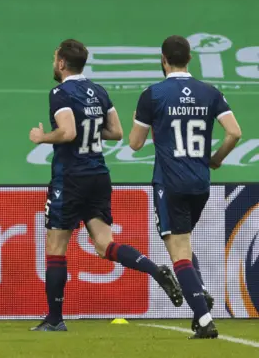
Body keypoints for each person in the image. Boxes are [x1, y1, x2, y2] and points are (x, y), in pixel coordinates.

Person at [28, 39, 182, 332]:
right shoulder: (98, 91)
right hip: (98, 174)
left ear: (61, 63)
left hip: (70, 177)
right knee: (104, 244)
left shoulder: (60, 92)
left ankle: (55, 319)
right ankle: (154, 269)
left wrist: (42, 137)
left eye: (54, 58)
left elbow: (68, 131)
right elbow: (116, 132)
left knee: (56, 247)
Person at [129, 35, 242, 339]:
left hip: (170, 182)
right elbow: (234, 132)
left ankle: (204, 319)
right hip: (200, 182)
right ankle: (201, 291)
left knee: (178, 250)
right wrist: (216, 159)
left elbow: (135, 144)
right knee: (185, 243)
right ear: (190, 58)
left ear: (163, 60)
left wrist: (147, 123)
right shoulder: (210, 92)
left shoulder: (153, 95)